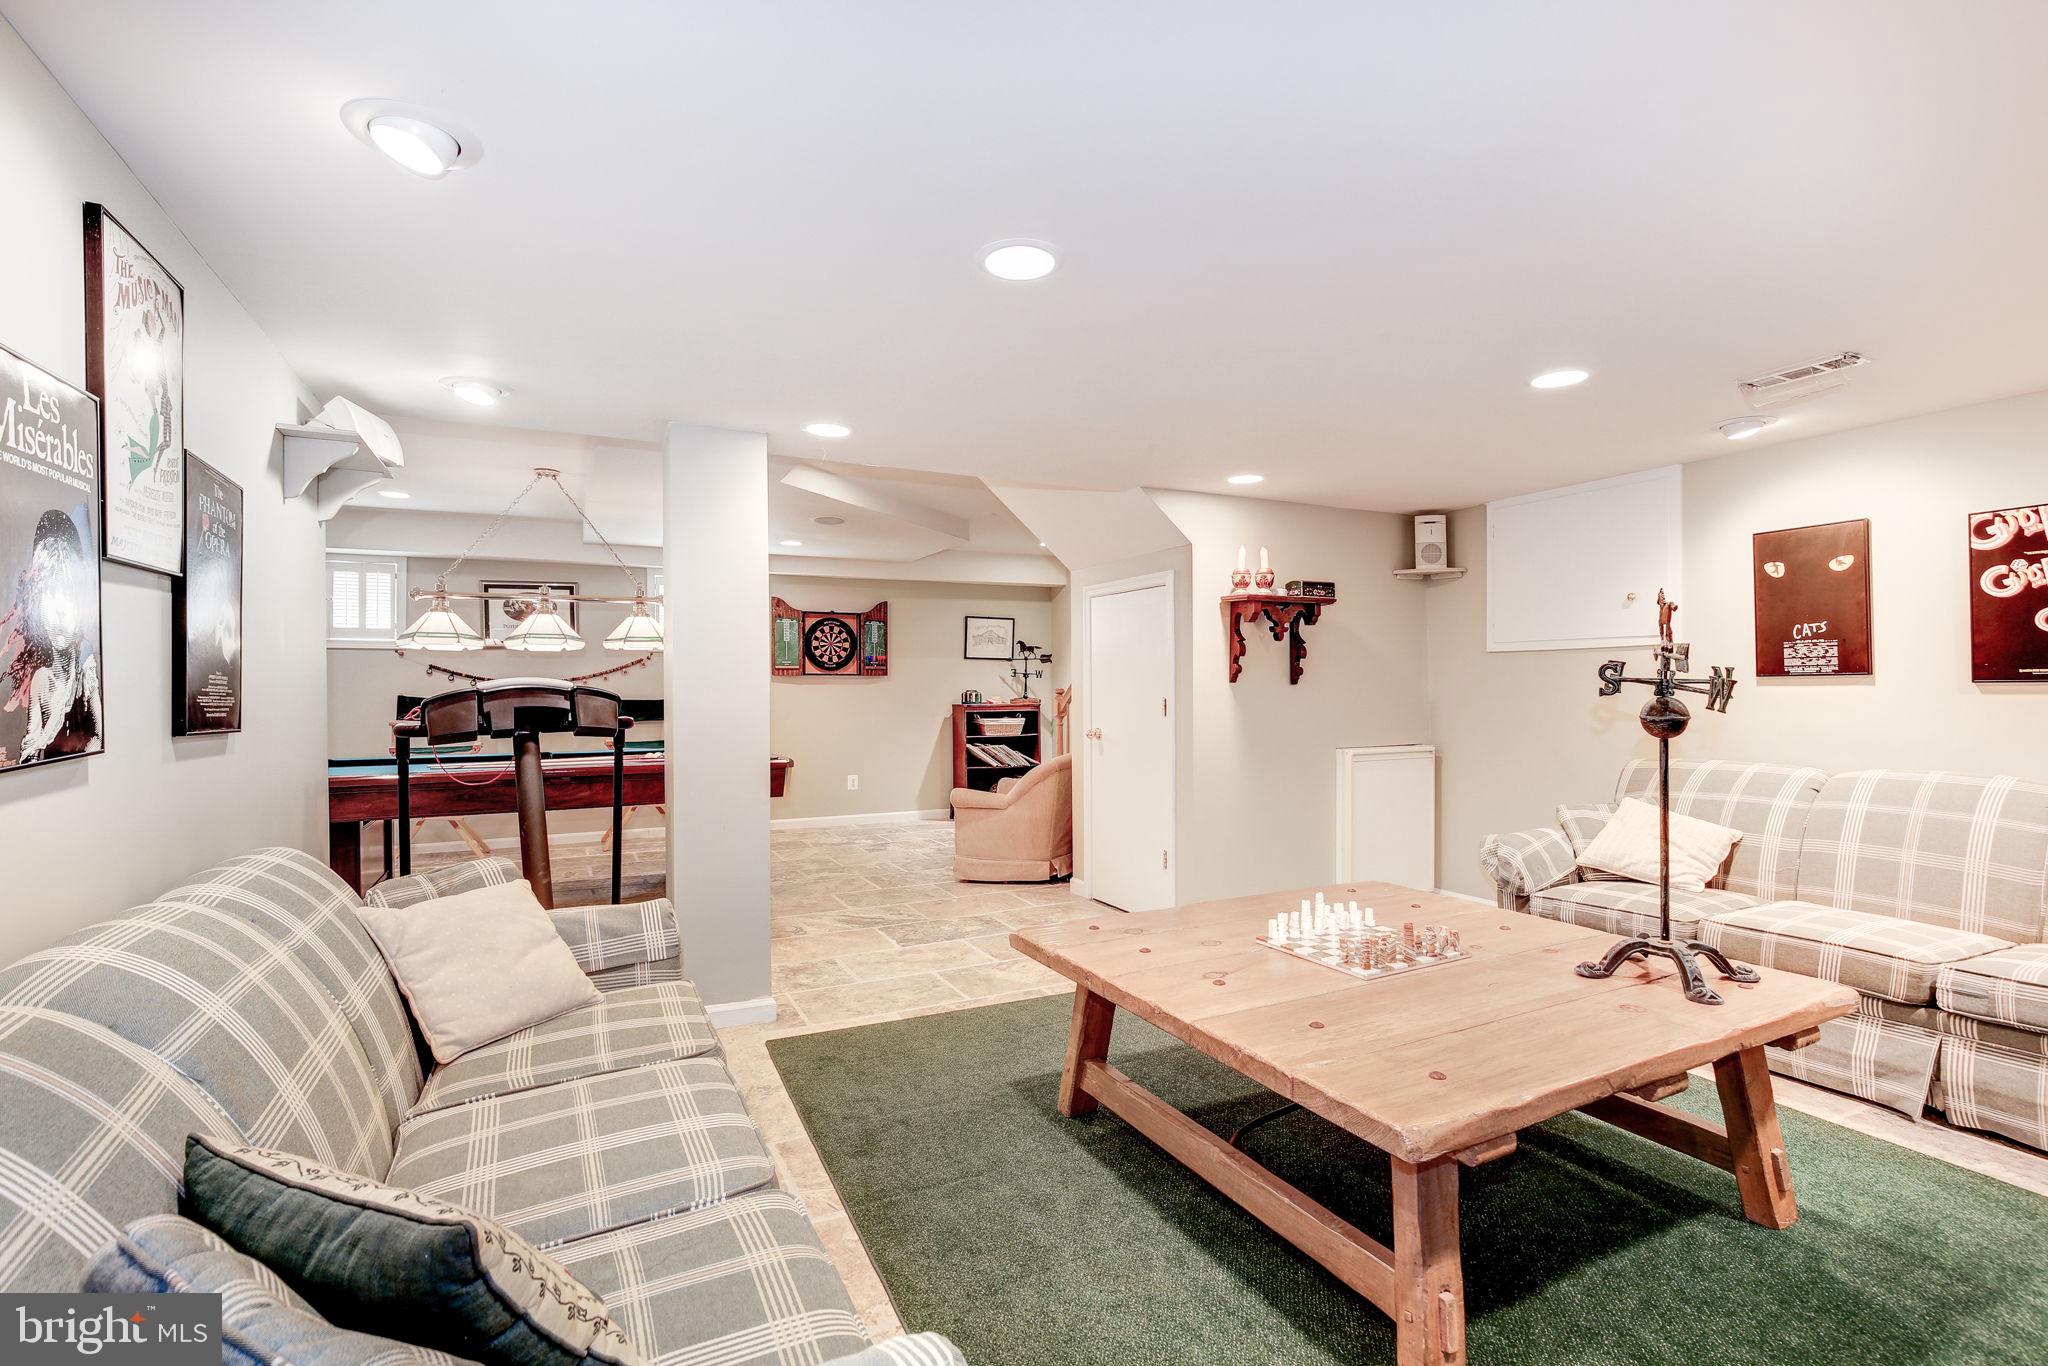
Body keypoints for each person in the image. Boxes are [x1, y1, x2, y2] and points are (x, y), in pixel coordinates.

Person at [1, 509, 102, 765]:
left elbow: (98, 736)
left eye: (66, 593)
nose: (58, 609)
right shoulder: (42, 681)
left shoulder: (85, 666)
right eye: (48, 593)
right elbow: (32, 740)